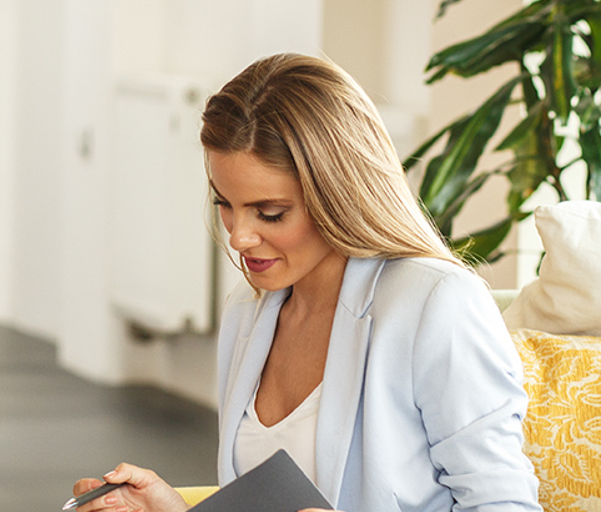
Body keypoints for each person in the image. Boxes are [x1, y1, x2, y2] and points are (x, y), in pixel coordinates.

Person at [70, 53, 541, 512]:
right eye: (225, 203)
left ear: (339, 193)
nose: (239, 236)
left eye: (270, 213)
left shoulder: (437, 304)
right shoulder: (249, 310)